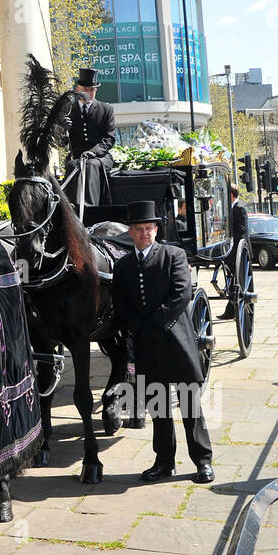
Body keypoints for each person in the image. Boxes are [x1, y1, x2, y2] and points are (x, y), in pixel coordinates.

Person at [112, 200, 214, 484]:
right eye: (139, 229)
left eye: (149, 228)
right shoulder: (122, 266)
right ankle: (164, 461)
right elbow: (119, 302)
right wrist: (140, 327)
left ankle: (202, 461)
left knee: (190, 404)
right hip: (146, 344)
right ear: (130, 232)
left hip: (176, 342)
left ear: (156, 230)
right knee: (158, 407)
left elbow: (181, 294)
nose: (145, 233)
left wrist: (153, 324)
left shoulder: (174, 255)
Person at [66, 67, 116, 207]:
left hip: (101, 157)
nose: (89, 93)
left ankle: (89, 206)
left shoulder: (106, 109)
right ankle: (71, 206)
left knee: (90, 165)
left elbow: (109, 138)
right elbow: (61, 142)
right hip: (76, 157)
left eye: (92, 90)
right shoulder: (68, 110)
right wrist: (61, 128)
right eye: (86, 89)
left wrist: (93, 152)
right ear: (78, 89)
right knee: (72, 166)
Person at [217, 183, 250, 321]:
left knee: (236, 281)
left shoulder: (240, 208)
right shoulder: (231, 208)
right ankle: (230, 310)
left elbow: (241, 230)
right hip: (232, 250)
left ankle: (233, 311)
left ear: (230, 194)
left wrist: (228, 234)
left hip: (238, 250)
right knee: (232, 281)